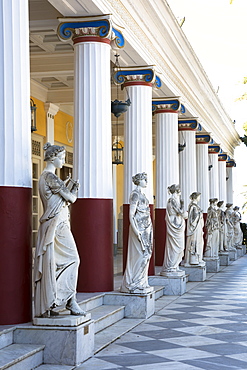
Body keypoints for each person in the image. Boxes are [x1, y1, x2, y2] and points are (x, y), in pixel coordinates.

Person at [34, 142, 85, 318]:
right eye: (61, 158)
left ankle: (54, 301)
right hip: (57, 225)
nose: (63, 161)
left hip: (56, 223)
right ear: (53, 158)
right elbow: (71, 198)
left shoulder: (46, 177)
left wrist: (67, 187)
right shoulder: (50, 177)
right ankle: (69, 300)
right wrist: (74, 188)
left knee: (55, 264)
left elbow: (59, 198)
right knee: (74, 259)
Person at [120, 172, 153, 294]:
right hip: (139, 228)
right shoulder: (135, 194)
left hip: (147, 228)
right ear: (139, 181)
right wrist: (136, 231)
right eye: (145, 179)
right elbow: (131, 214)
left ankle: (142, 281)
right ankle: (134, 281)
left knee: (147, 254)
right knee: (141, 254)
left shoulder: (142, 194)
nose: (146, 181)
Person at [161, 184, 187, 275]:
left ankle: (175, 265)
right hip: (174, 223)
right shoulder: (172, 200)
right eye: (179, 189)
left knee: (179, 246)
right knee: (174, 246)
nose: (180, 191)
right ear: (176, 191)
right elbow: (180, 212)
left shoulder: (175, 200)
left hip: (178, 222)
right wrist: (183, 205)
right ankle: (171, 266)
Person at [184, 192, 205, 266]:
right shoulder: (193, 206)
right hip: (195, 227)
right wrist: (199, 214)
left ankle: (198, 258)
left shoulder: (195, 206)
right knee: (195, 242)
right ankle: (193, 259)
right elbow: (192, 220)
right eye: (199, 196)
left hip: (198, 226)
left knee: (199, 242)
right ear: (196, 197)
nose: (199, 198)